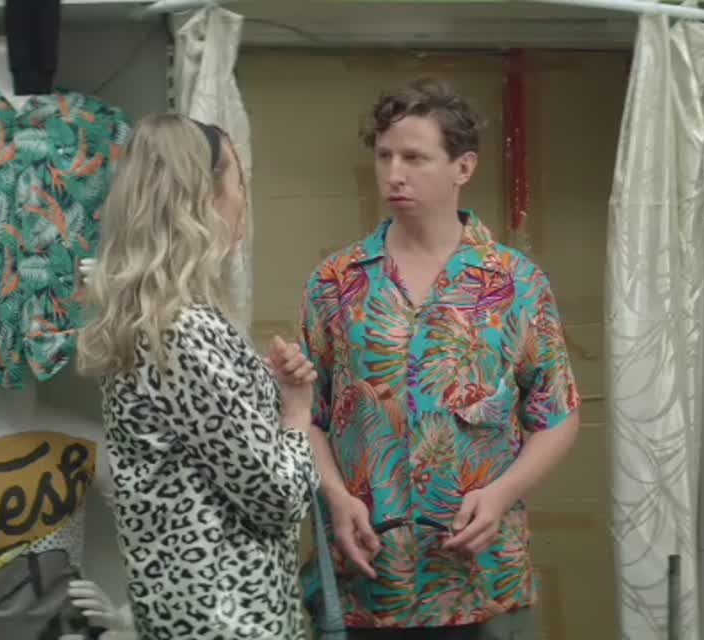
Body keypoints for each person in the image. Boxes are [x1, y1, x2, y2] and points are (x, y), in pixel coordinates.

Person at [298, 77, 580, 639]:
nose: (394, 173)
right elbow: (306, 415)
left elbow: (558, 414)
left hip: (479, 579)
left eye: (415, 157)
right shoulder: (335, 281)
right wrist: (334, 495)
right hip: (369, 581)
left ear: (463, 167)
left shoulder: (516, 282)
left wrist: (501, 494)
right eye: (385, 156)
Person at [76, 113, 319, 640]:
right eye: (237, 181)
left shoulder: (157, 321)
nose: (242, 200)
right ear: (201, 197)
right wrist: (298, 411)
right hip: (229, 622)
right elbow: (278, 498)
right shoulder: (184, 331)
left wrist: (269, 391)